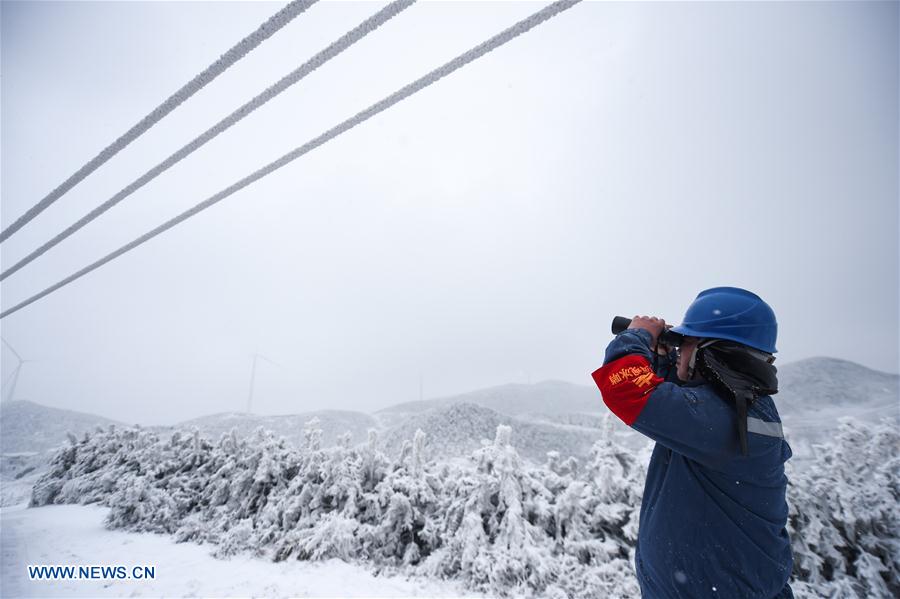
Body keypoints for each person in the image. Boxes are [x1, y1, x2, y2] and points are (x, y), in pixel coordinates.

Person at [591, 287, 794, 598]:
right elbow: (680, 403)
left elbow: (627, 389)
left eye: (685, 344)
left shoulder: (724, 417)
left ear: (709, 354)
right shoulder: (737, 410)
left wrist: (637, 337)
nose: (679, 352)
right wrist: (664, 361)